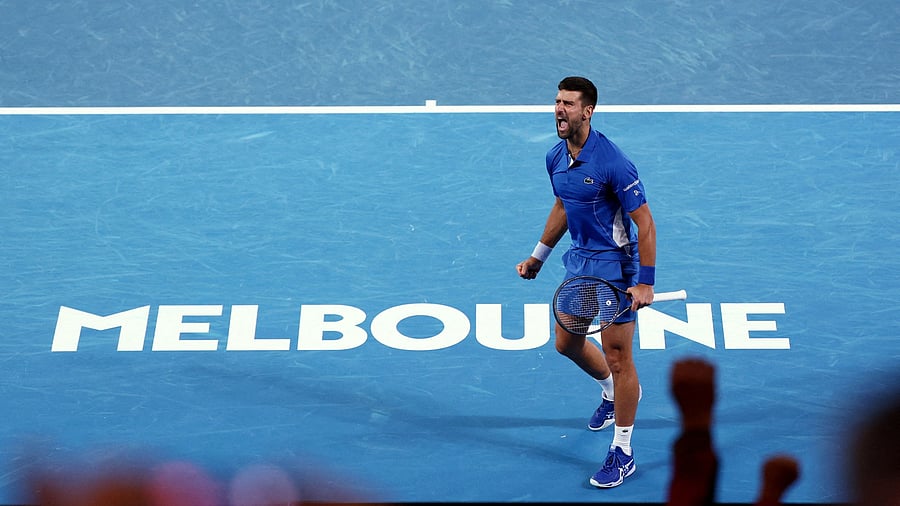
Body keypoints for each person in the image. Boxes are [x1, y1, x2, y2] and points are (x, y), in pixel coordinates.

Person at [517, 76, 657, 488]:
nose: (559, 110)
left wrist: (645, 283)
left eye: (568, 104)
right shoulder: (554, 157)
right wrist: (538, 256)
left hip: (616, 269)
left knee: (619, 358)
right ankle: (612, 394)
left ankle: (623, 451)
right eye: (557, 102)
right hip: (579, 264)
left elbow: (645, 225)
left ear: (588, 111)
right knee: (566, 343)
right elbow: (563, 203)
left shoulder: (614, 162)